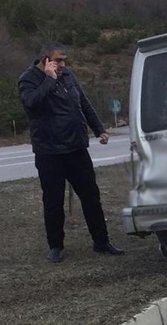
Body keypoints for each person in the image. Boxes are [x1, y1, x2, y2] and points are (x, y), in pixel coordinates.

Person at [18, 42, 124, 263]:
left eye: (64, 60)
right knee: (53, 201)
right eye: (58, 60)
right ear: (45, 60)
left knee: (91, 196)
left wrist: (99, 129)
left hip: (76, 148)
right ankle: (55, 246)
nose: (63, 64)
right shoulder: (28, 79)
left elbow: (83, 103)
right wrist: (49, 79)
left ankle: (102, 242)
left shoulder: (69, 75)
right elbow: (31, 104)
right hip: (50, 152)